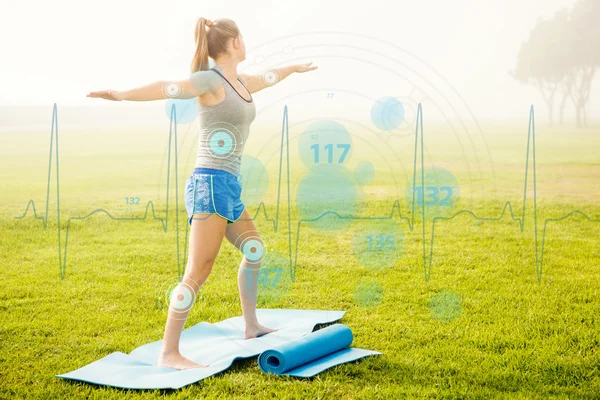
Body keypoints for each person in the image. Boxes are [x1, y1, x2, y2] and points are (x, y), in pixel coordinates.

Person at [87, 17, 318, 370]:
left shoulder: (240, 81)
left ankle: (252, 325)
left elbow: (270, 76)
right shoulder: (210, 80)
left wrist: (294, 68)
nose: (246, 41)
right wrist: (120, 95)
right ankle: (169, 351)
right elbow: (168, 86)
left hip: (227, 185)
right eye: (244, 36)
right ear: (235, 42)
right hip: (208, 184)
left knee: (253, 250)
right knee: (198, 271)